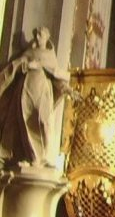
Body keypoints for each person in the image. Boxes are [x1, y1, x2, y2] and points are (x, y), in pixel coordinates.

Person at [0, 27, 73, 166]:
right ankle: (30, 157)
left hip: (43, 91)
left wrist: (67, 89)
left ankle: (45, 157)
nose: (38, 37)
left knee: (44, 122)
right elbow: (15, 66)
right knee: (26, 122)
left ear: (47, 37)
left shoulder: (50, 56)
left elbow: (56, 75)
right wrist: (26, 65)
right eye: (36, 35)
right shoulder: (30, 52)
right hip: (27, 90)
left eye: (40, 35)